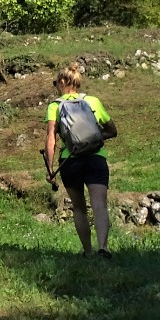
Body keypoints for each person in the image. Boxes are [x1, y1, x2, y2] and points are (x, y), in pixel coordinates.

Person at [44, 64, 116, 258]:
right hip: (96, 158)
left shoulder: (55, 106)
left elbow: (51, 138)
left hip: (71, 162)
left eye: (55, 83)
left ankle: (87, 251)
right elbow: (112, 130)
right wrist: (94, 139)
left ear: (61, 82)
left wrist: (50, 168)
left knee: (79, 208)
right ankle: (103, 248)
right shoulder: (92, 101)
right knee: (99, 204)